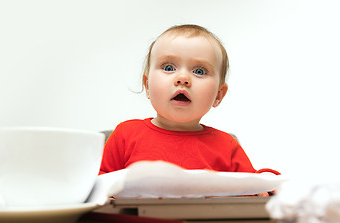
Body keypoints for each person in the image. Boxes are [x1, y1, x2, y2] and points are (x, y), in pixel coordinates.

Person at [100, 24, 280, 181]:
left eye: (199, 71)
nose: (183, 78)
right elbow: (99, 184)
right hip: (137, 219)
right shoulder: (125, 135)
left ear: (218, 95)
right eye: (169, 68)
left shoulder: (227, 145)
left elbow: (252, 185)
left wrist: (267, 178)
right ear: (147, 86)